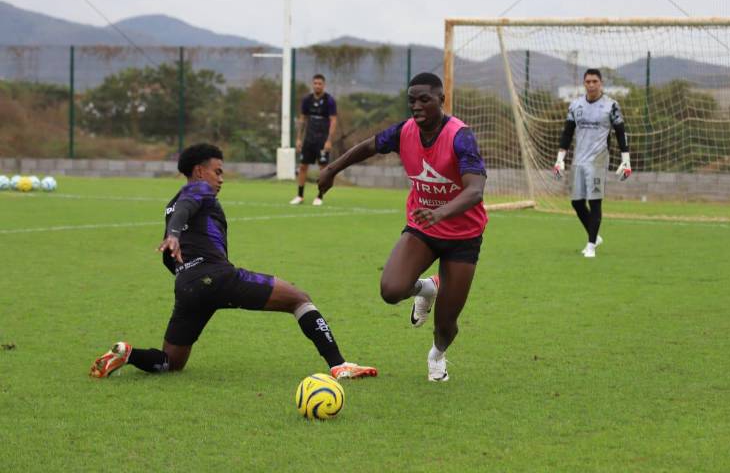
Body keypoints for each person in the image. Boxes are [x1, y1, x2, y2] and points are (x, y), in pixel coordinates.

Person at [90, 143, 376, 380]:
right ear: (199, 172)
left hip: (187, 286)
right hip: (216, 277)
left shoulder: (172, 204)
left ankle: (128, 353)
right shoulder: (198, 190)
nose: (221, 178)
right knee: (299, 298)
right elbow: (186, 213)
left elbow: (170, 255)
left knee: (171, 362)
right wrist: (175, 235)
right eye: (217, 171)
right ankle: (339, 365)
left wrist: (179, 254)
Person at [318, 72, 487, 382]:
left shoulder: (460, 136)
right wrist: (331, 169)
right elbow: (369, 146)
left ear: (440, 100)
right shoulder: (403, 132)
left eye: (425, 99)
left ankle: (437, 353)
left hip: (463, 236)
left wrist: (441, 213)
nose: (417, 106)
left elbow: (475, 190)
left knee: (446, 322)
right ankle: (427, 287)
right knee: (391, 290)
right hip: (423, 229)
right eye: (412, 100)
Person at [554, 68, 631, 258]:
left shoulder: (611, 105)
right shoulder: (575, 106)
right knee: (576, 202)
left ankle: (590, 245)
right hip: (579, 160)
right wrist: (559, 159)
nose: (591, 85)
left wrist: (626, 160)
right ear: (584, 84)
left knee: (595, 201)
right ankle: (595, 236)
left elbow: (621, 132)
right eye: (588, 81)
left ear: (601, 83)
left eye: (594, 81)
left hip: (599, 160)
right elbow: (567, 133)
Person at [290, 74, 338, 206]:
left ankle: (319, 196)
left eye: (320, 84)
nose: (317, 86)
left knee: (323, 168)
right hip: (309, 139)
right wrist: (299, 138)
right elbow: (302, 119)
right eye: (315, 83)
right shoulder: (307, 100)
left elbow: (333, 121)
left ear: (324, 85)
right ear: (312, 84)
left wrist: (329, 140)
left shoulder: (329, 101)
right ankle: (300, 195)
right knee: (303, 166)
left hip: (322, 140)